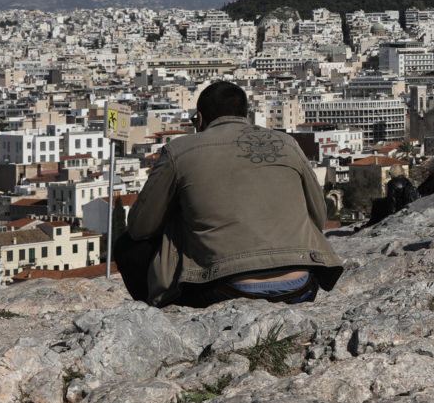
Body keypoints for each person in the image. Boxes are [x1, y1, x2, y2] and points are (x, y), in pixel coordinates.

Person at [116, 80, 343, 308]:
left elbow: (140, 227)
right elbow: (319, 216)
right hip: (300, 286)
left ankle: (157, 320)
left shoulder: (179, 151)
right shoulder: (287, 143)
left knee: (128, 247)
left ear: (201, 119)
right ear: (246, 117)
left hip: (224, 291)